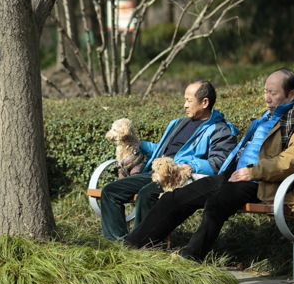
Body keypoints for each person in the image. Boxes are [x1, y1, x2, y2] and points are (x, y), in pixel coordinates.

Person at [124, 68, 294, 260]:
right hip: (233, 175)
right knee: (174, 198)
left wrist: (253, 172)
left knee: (216, 203)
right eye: (265, 92)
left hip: (261, 182)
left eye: (273, 93)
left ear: (292, 94)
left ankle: (189, 260)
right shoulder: (266, 117)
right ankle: (130, 248)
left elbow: (293, 160)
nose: (267, 98)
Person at [100, 80, 238, 241]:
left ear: (205, 102)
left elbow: (219, 163)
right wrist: (139, 144)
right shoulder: (178, 123)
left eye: (189, 100)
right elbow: (163, 151)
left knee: (147, 194)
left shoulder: (221, 130)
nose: (185, 105)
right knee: (110, 191)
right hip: (156, 172)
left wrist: (190, 166)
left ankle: (141, 245)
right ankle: (117, 242)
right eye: (185, 100)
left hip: (178, 177)